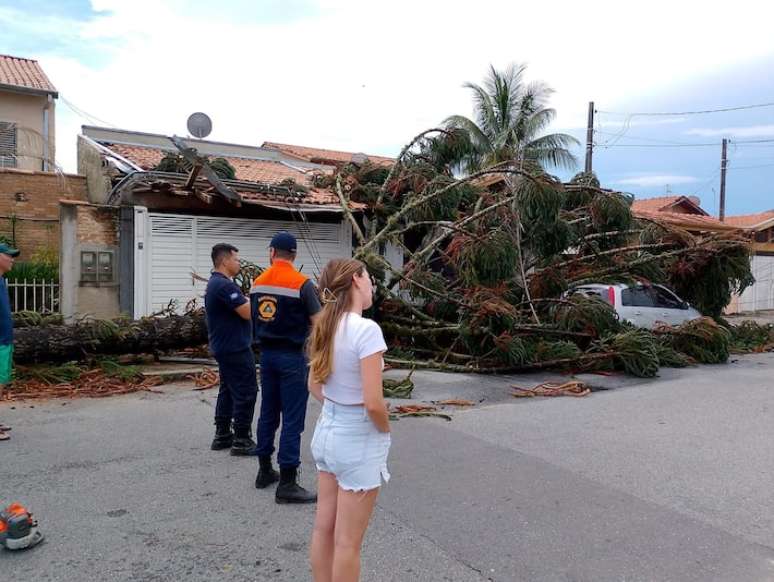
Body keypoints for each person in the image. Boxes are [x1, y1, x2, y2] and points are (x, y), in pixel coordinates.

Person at [307, 258, 391, 582]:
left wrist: (338, 406)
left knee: (323, 530)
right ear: (357, 280)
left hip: (327, 434)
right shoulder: (367, 330)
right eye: (368, 277)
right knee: (348, 543)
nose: (372, 284)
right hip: (357, 439)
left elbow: (313, 385)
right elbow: (373, 403)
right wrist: (385, 428)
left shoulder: (325, 324)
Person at [251, 231, 321, 504]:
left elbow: (253, 320)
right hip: (293, 357)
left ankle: (265, 470)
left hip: (266, 356)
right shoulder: (302, 283)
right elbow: (319, 321)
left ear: (272, 252)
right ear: (294, 255)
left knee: (268, 412)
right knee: (293, 418)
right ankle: (289, 482)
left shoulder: (257, 283)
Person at [204, 243, 258, 456]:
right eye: (236, 259)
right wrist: (254, 296)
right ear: (225, 261)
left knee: (227, 390)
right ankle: (242, 439)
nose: (238, 263)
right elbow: (247, 312)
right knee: (247, 391)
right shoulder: (224, 286)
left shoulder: (217, 283)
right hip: (234, 347)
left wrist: (246, 299)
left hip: (224, 346)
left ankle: (223, 434)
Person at [0, 243, 19, 443]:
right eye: (9, 256)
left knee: (1, 381)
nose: (12, 259)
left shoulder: (2, 281)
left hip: (4, 340)